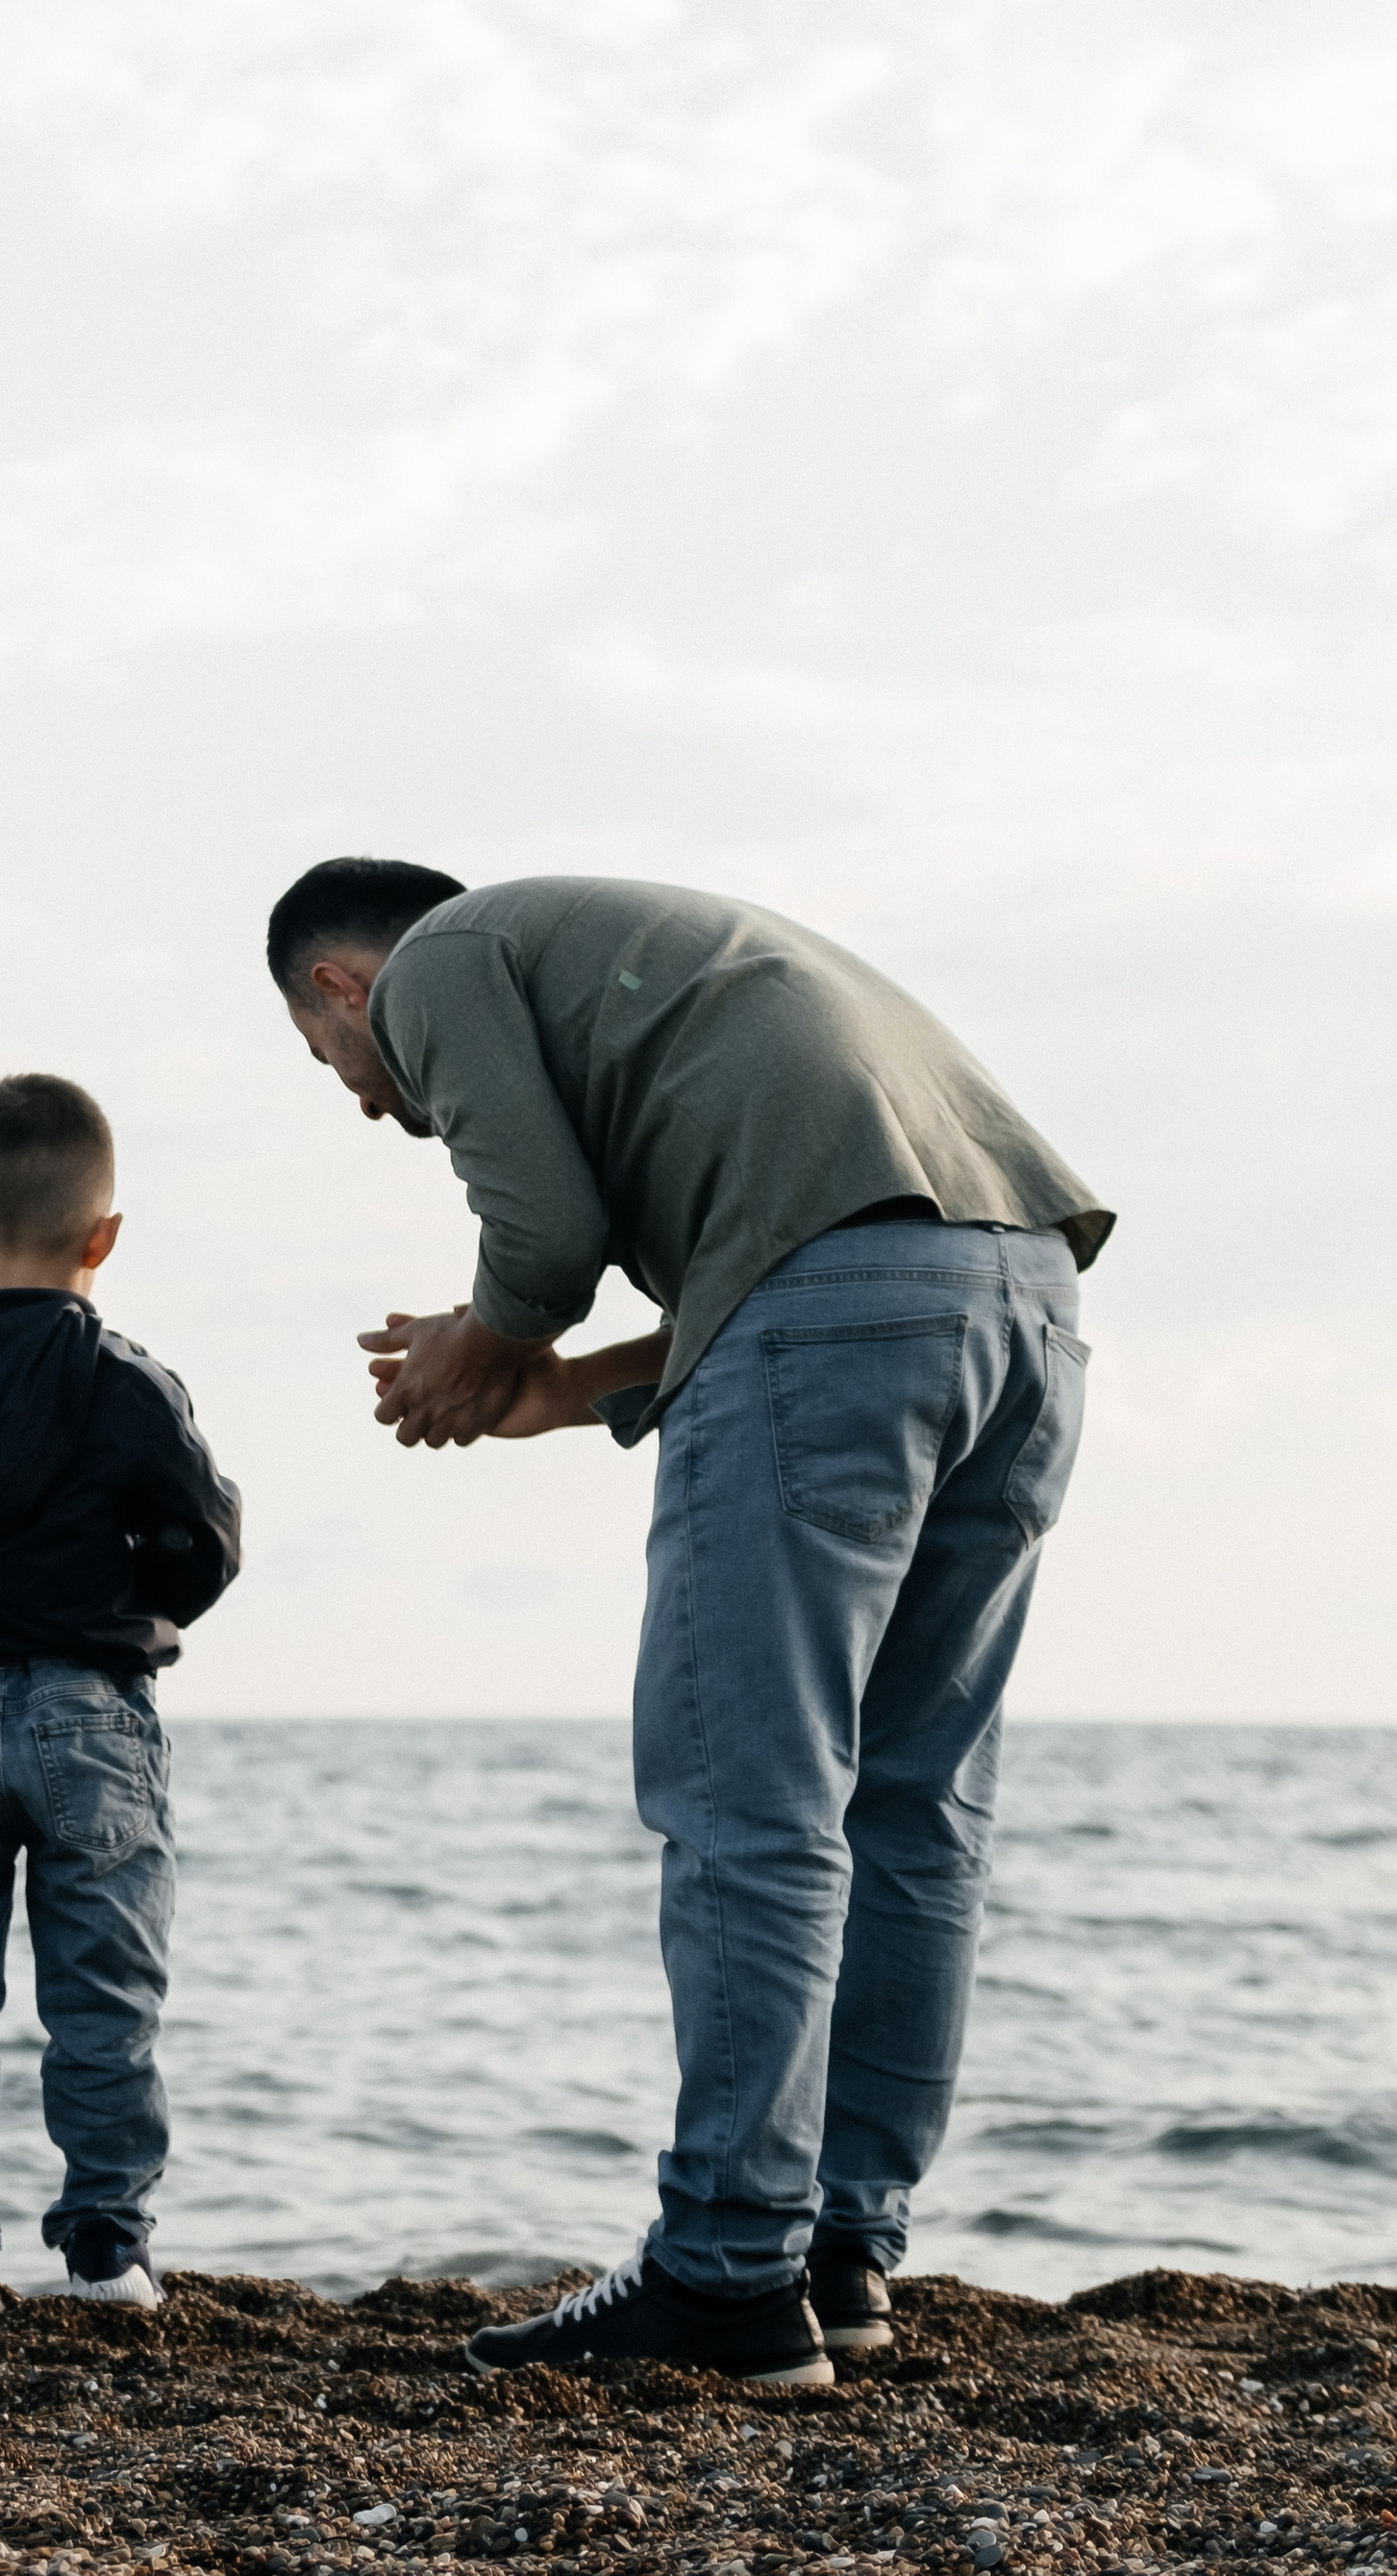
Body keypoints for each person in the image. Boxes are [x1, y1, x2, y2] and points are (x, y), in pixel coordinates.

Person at [268, 859, 1111, 2394]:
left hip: (848, 1309)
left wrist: (483, 1336)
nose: (367, 1099)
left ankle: (727, 2271)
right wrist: (556, 1391)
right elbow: (817, 1254)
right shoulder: (658, 969)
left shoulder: (439, 957)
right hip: (1028, 1307)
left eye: (333, 1066)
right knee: (915, 1812)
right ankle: (840, 2257)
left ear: (340, 988)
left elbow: (546, 1224)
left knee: (754, 1807)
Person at [0, 1069, 243, 2339]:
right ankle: (108, 2252)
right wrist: (135, 1610)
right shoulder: (125, 1383)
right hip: (88, 1709)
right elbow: (206, 1538)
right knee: (105, 1999)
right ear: (104, 1236)